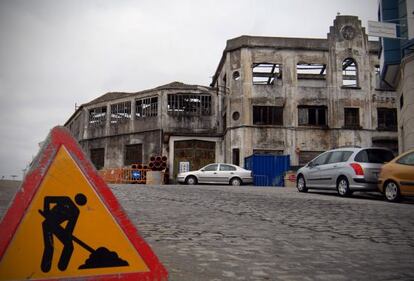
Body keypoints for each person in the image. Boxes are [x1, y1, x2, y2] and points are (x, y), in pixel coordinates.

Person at [40, 193, 87, 272]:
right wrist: (47, 211)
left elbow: (70, 227)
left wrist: (67, 235)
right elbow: (47, 198)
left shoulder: (76, 211)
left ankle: (62, 267)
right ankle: (45, 268)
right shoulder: (65, 200)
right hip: (48, 224)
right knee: (50, 246)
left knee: (69, 246)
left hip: (56, 226)